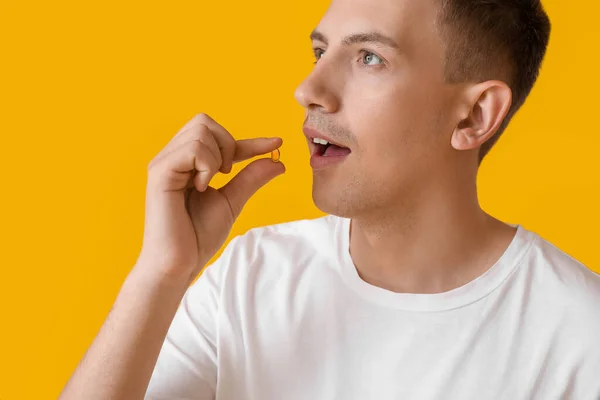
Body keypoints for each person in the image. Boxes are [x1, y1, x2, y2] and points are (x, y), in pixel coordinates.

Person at [59, 0, 600, 399]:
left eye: (369, 58)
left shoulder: (579, 335)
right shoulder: (248, 279)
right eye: (321, 50)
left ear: (474, 116)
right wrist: (161, 273)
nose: (309, 88)